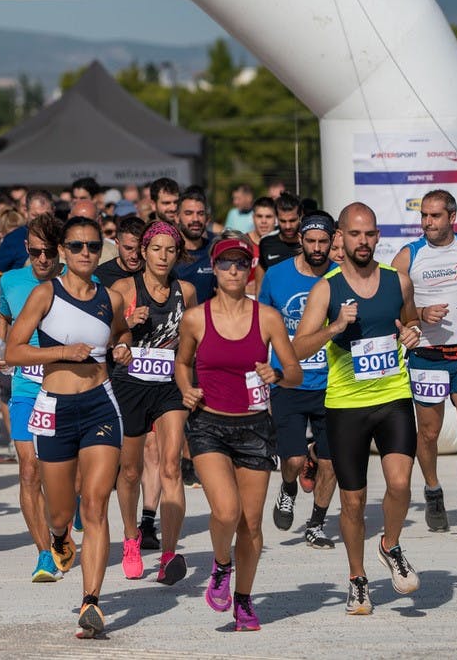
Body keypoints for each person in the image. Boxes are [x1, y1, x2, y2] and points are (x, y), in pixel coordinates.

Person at [293, 202, 424, 614]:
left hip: (393, 395)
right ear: (340, 239)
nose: (362, 241)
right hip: (347, 405)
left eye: (369, 234)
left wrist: (412, 334)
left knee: (400, 484)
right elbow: (296, 347)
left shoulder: (397, 281)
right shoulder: (327, 289)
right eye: (354, 234)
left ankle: (390, 544)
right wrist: (334, 327)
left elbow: (408, 322)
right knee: (352, 501)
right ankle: (357, 578)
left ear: (378, 236)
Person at [6, 216, 128, 639]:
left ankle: (91, 601)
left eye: (93, 246)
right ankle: (58, 537)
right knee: (60, 511)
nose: (85, 254)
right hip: (54, 406)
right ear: (62, 251)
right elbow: (13, 350)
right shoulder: (45, 293)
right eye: (76, 246)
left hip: (100, 405)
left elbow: (121, 333)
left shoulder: (110, 298)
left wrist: (124, 346)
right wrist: (63, 352)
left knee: (95, 504)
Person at [178, 238, 302, 631]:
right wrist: (186, 388)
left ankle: (244, 600)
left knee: (250, 523)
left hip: (254, 427)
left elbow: (296, 372)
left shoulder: (267, 317)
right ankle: (220, 565)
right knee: (226, 511)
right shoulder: (196, 318)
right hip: (209, 424)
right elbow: (182, 363)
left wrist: (277, 374)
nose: (233, 271)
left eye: (240, 264)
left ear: (250, 269)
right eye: (226, 263)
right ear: (214, 269)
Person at [391, 189, 457, 536]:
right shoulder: (408, 256)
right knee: (429, 433)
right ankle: (433, 489)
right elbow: (389, 307)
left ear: (452, 216)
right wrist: (418, 314)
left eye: (434, 216)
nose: (428, 223)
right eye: (424, 216)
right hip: (426, 357)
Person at [111, 220, 198, 584]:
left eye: (170, 250)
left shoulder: (187, 291)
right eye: (156, 249)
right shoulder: (122, 288)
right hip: (130, 384)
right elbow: (107, 334)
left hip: (169, 386)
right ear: (143, 252)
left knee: (171, 467)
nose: (163, 257)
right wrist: (127, 326)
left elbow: (193, 339)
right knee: (130, 471)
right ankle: (131, 539)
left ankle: (168, 554)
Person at [0, 212, 67, 582]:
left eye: (49, 253)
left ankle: (64, 527)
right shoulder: (10, 280)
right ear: (26, 248)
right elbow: (3, 318)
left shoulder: (78, 280)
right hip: (25, 385)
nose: (42, 260)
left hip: (66, 386)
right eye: (36, 252)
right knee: (28, 468)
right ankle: (43, 553)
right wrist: (0, 347)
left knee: (68, 475)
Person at [259, 213, 339, 548]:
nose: (318, 248)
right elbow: (260, 324)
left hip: (332, 383)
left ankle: (317, 524)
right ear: (300, 241)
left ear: (333, 240)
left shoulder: (342, 277)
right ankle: (289, 487)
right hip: (287, 381)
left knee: (330, 462)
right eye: (311, 241)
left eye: (324, 241)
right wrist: (255, 370)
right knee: (291, 460)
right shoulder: (276, 276)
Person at [0, 189, 53, 297]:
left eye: (45, 216)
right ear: (26, 211)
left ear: (53, 211)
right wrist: (11, 303)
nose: (41, 221)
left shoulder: (64, 237)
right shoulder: (13, 239)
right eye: (35, 216)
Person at [253, 193, 303, 289]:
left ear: (300, 216)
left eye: (292, 220)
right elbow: (260, 284)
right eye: (283, 221)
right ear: (276, 217)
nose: (288, 226)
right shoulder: (266, 243)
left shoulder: (309, 242)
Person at [177, 189, 217, 303]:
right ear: (177, 217)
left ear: (207, 219)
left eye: (200, 214)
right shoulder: (169, 253)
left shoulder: (216, 249)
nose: (195, 219)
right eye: (188, 213)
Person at [95, 214, 146, 288]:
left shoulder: (154, 274)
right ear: (117, 243)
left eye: (139, 249)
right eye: (128, 248)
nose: (134, 256)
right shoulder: (100, 276)